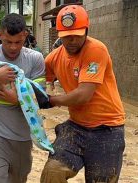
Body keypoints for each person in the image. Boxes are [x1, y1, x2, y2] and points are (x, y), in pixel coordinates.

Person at [40, 5, 125, 183]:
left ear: (86, 31)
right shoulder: (54, 58)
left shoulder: (96, 50)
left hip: (107, 129)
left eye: (77, 35)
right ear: (59, 35)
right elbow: (35, 81)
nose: (72, 41)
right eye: (66, 37)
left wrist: (51, 100)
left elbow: (83, 95)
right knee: (52, 172)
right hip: (76, 128)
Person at [0, 13, 45, 182]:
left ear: (25, 36)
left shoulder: (35, 59)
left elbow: (41, 98)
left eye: (18, 42)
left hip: (23, 138)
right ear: (0, 35)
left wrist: (18, 99)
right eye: (8, 42)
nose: (13, 47)